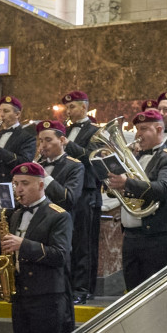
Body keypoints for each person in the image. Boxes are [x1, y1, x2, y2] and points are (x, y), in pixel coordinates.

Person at [1, 163, 75, 333]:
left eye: (25, 183)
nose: (19, 189)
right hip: (22, 296)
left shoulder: (59, 215)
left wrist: (23, 245)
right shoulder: (15, 215)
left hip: (47, 298)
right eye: (16, 184)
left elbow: (60, 255)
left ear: (41, 185)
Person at [108, 109, 167, 290]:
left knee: (159, 294)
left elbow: (165, 189)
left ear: (159, 129)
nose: (138, 134)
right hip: (131, 237)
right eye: (137, 129)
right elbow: (129, 191)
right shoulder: (135, 157)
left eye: (144, 129)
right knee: (133, 294)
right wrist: (115, 184)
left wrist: (127, 183)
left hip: (159, 238)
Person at [61, 91, 104, 299]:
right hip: (65, 192)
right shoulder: (65, 130)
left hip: (87, 192)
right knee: (67, 242)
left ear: (84, 108)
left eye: (72, 107)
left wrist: (68, 145)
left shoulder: (96, 131)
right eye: (67, 108)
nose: (68, 111)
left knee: (84, 243)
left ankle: (83, 289)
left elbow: (93, 158)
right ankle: (69, 287)